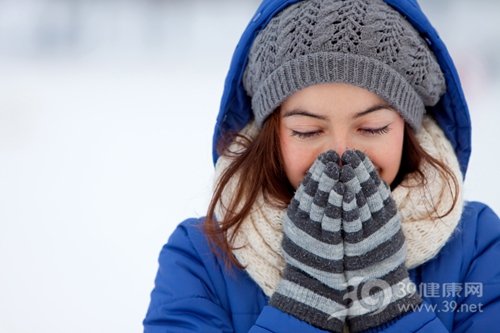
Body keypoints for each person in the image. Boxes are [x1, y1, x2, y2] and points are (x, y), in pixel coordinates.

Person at [143, 0, 500, 331]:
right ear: (272, 134)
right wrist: (304, 303)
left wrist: (384, 302)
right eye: (307, 130)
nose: (342, 154)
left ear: (407, 128)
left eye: (372, 128)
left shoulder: (477, 245)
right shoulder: (200, 259)